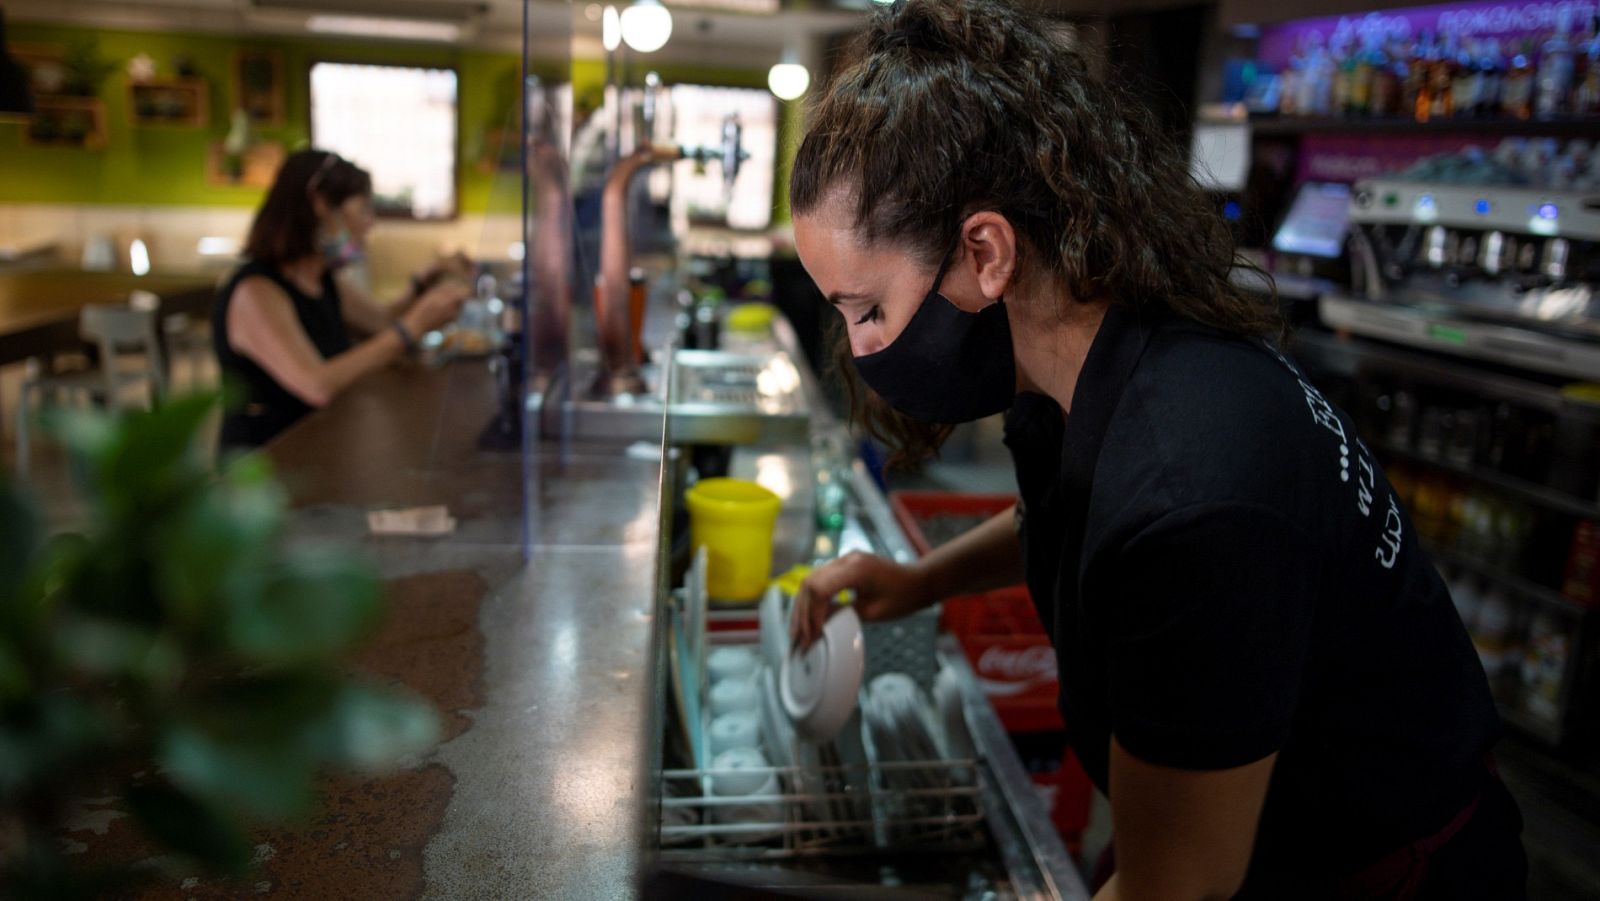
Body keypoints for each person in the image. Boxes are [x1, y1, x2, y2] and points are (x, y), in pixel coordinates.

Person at [787, 1, 1527, 898]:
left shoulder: (1193, 494)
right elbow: (1072, 515)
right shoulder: (1094, 355)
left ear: (986, 252)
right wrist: (921, 581)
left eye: (869, 312)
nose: (863, 352)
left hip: (1375, 870)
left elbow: (1177, 885)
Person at [213, 149, 471, 449]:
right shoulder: (255, 291)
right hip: (262, 464)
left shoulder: (321, 280)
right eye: (363, 209)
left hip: (316, 443)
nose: (370, 224)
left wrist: (422, 283)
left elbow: (384, 322)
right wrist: (413, 327)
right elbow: (316, 385)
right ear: (322, 205)